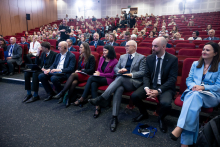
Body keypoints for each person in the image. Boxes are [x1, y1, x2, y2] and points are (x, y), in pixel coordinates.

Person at [89, 40, 146, 132]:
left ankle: (103, 97)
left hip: (133, 82)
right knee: (118, 88)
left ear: (134, 47)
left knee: (120, 79)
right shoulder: (123, 57)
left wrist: (130, 74)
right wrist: (119, 71)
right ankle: (114, 117)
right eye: (125, 46)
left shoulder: (142, 58)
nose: (125, 47)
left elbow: (143, 72)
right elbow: (116, 67)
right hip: (121, 81)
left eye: (128, 46)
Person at [170, 42, 220, 146]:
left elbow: (218, 86)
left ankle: (180, 127)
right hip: (194, 92)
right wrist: (193, 86)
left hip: (211, 96)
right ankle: (185, 143)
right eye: (203, 49)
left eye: (207, 50)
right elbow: (189, 80)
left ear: (215, 53)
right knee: (193, 106)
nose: (204, 52)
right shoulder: (195, 64)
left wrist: (203, 87)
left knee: (193, 98)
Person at [131, 37, 178, 133]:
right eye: (152, 45)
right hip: (151, 84)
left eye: (155, 46)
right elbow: (146, 75)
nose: (152, 48)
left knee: (166, 104)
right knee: (134, 96)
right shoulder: (149, 58)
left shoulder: (172, 59)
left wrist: (159, 90)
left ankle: (161, 118)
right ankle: (144, 113)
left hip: (165, 86)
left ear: (163, 47)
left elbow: (172, 79)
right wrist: (147, 88)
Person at [76, 45, 118, 117]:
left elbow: (113, 75)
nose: (103, 52)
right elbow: (98, 69)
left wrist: (100, 74)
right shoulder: (102, 58)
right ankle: (97, 107)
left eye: (105, 50)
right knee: (93, 84)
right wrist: (98, 73)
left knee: (91, 78)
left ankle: (83, 97)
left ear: (110, 51)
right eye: (103, 50)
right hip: (99, 78)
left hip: (109, 79)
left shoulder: (115, 61)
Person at [52, 42, 95, 107]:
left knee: (73, 74)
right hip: (80, 75)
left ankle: (62, 92)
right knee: (74, 82)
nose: (79, 48)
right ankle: (68, 98)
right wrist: (78, 70)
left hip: (87, 75)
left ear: (85, 48)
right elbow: (78, 67)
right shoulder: (81, 56)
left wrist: (81, 70)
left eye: (81, 47)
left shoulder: (91, 57)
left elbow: (92, 70)